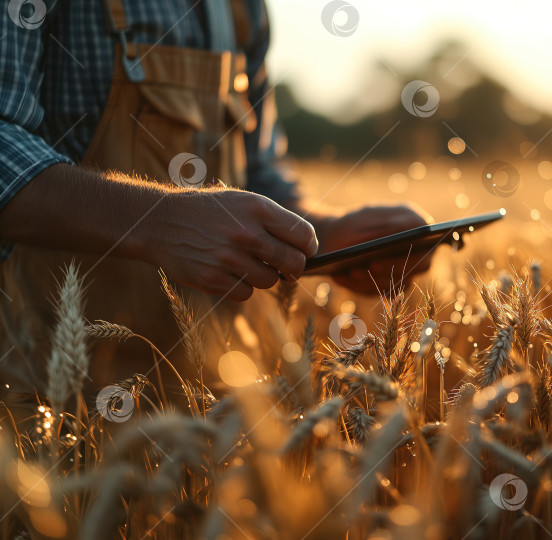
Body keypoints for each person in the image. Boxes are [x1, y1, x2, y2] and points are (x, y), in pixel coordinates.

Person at [0, 0, 431, 400]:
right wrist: (156, 221)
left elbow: (256, 172)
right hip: (46, 412)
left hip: (217, 402)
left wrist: (325, 236)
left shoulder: (242, 7)